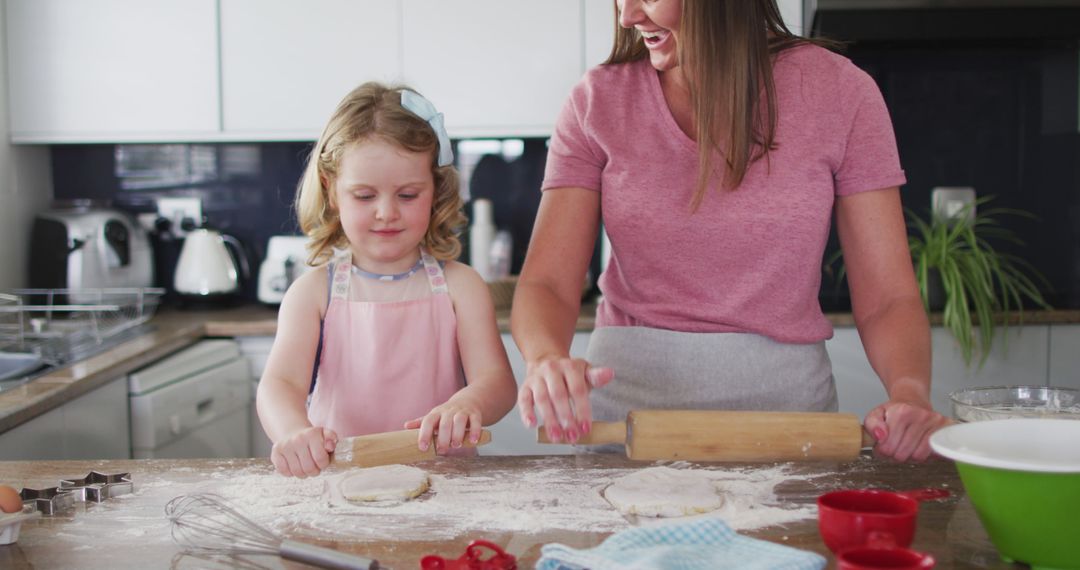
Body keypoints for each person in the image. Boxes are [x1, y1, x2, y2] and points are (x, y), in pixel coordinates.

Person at [510, 0, 950, 462]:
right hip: (624, 426)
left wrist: (910, 392)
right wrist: (544, 358)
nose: (627, 16)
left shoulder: (842, 93)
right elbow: (547, 283)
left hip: (787, 427)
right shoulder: (596, 101)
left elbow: (887, 297)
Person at [258, 82, 517, 478]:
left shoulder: (461, 286)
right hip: (340, 481)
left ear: (435, 191)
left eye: (408, 195)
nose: (386, 213)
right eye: (364, 196)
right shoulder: (313, 293)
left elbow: (497, 382)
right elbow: (280, 384)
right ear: (332, 191)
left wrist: (471, 403)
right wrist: (293, 431)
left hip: (447, 486)